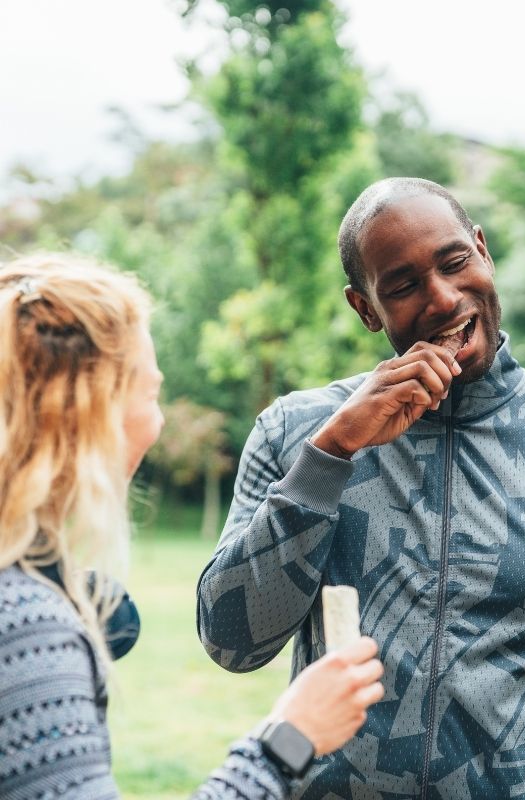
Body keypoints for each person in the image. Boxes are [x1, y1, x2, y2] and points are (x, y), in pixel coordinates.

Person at [197, 177, 525, 800]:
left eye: (454, 262)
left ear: (483, 251)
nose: (442, 298)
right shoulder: (296, 432)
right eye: (404, 286)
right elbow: (232, 642)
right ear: (365, 309)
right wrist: (330, 455)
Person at [0, 253, 384, 800]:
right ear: (89, 414)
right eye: (151, 395)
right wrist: (290, 738)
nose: (157, 423)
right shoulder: (28, 624)